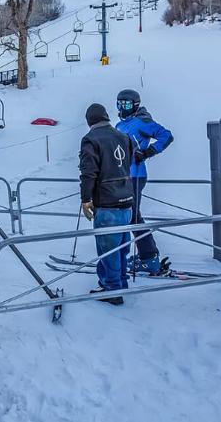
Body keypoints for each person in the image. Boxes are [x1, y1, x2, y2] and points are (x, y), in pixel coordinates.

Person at [79, 103, 137, 306]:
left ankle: (112, 290)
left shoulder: (91, 140)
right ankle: (121, 282)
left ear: (89, 121)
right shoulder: (123, 136)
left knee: (108, 249)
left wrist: (86, 199)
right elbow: (129, 161)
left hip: (106, 202)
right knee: (121, 247)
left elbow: (88, 172)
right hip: (127, 201)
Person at [114, 89, 174, 275]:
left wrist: (148, 152)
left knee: (133, 216)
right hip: (123, 175)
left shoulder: (142, 122)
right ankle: (145, 255)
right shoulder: (119, 125)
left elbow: (166, 135)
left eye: (126, 104)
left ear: (135, 105)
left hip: (137, 175)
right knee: (129, 216)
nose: (122, 108)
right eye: (120, 104)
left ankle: (149, 257)